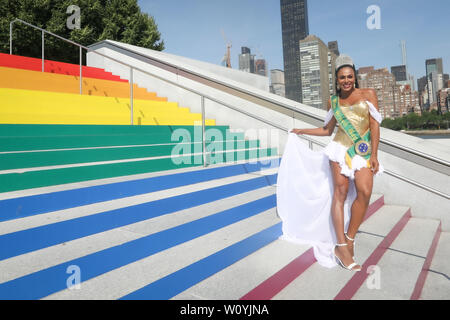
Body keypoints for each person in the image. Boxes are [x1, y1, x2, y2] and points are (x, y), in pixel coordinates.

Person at [276, 54, 383, 271]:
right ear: (336, 80)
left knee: (365, 190)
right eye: (342, 77)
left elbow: (374, 126)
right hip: (339, 151)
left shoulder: (368, 94)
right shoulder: (333, 102)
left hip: (361, 151)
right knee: (339, 194)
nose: (346, 81)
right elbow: (327, 130)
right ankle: (341, 247)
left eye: (349, 76)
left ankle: (350, 238)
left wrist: (374, 155)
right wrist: (301, 130)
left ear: (355, 77)